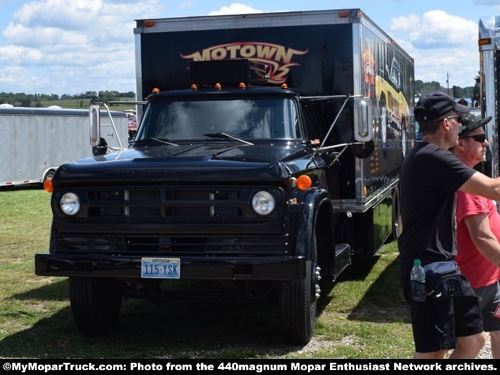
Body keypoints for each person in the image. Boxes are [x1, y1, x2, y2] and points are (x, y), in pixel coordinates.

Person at [398, 91, 500, 359]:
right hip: (428, 270)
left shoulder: (428, 156)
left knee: (474, 340)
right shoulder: (432, 157)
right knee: (432, 352)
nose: (460, 126)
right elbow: (494, 189)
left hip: (446, 269)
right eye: (457, 120)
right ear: (446, 123)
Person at [451, 113, 500, 359]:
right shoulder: (466, 182)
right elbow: (482, 238)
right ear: (460, 142)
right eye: (480, 137)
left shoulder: (468, 176)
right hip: (474, 285)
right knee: (470, 345)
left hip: (489, 279)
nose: (486, 143)